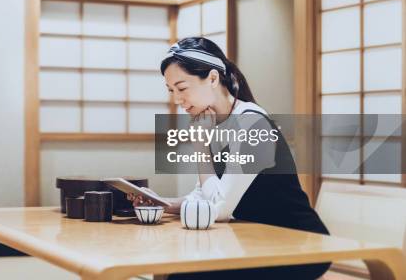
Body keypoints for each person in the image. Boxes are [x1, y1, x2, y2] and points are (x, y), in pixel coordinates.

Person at [129, 36, 330, 280]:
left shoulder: (253, 124)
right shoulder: (214, 122)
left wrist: (201, 147)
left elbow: (219, 208)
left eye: (182, 88)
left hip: (298, 244)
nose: (177, 99)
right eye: (171, 91)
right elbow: (204, 196)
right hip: (254, 239)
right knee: (177, 270)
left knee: (183, 277)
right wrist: (162, 203)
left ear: (213, 78)